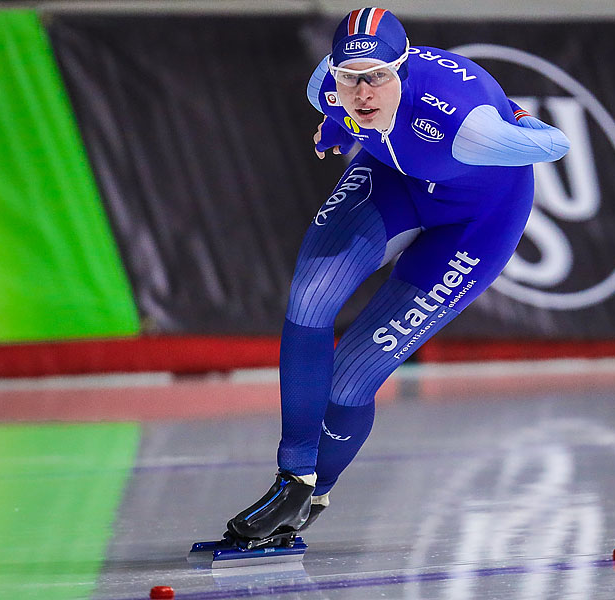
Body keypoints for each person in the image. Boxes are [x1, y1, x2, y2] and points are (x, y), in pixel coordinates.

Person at [225, 7, 570, 547]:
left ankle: (316, 494)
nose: (363, 92)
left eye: (378, 77)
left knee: (352, 374)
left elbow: (556, 145)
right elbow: (347, 103)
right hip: (395, 182)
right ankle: (293, 478)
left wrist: (515, 116)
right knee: (310, 296)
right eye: (350, 78)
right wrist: (338, 125)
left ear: (401, 70)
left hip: (477, 221)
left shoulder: (466, 128)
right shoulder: (327, 88)